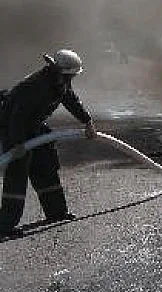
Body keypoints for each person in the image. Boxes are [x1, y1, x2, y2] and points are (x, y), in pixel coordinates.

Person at [0, 50, 97, 238]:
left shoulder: (60, 82)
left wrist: (87, 121)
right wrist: (17, 143)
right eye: (71, 75)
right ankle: (4, 226)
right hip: (14, 128)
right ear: (61, 71)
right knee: (17, 175)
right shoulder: (35, 86)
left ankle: (56, 212)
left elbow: (71, 100)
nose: (73, 79)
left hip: (35, 127)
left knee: (46, 166)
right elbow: (16, 116)